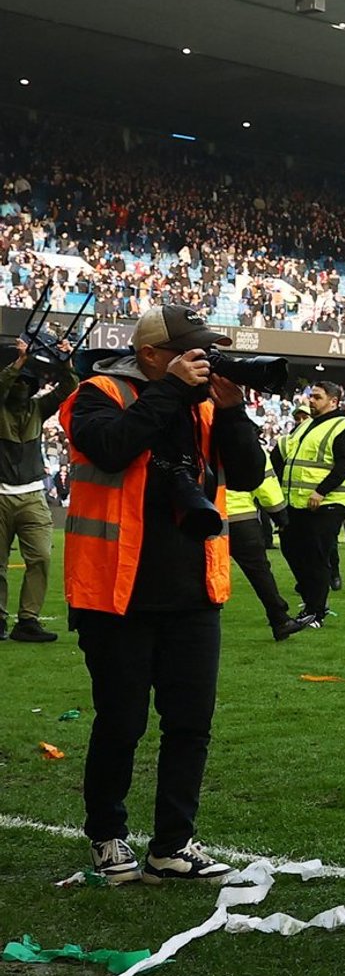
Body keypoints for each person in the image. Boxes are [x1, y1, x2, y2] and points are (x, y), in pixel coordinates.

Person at [59, 304, 266, 884]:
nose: (204, 359)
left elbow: (248, 474)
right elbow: (111, 447)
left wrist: (232, 412)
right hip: (114, 593)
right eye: (191, 350)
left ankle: (172, 846)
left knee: (190, 725)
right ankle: (106, 835)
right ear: (151, 355)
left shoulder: (204, 405)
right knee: (121, 722)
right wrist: (171, 391)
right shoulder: (98, 393)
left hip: (194, 591)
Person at [0, 332, 78, 643]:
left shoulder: (36, 410)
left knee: (42, 558)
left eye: (26, 383)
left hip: (32, 495)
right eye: (18, 381)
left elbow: (69, 388)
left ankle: (28, 620)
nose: (21, 387)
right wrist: (19, 362)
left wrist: (66, 361)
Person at [273, 380, 345, 627]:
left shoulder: (344, 426)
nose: (311, 400)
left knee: (315, 556)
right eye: (311, 396)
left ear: (334, 402)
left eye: (317, 397)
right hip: (297, 502)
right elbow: (282, 455)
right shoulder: (305, 426)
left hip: (328, 502)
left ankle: (315, 612)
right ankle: (313, 600)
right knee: (291, 549)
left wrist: (321, 492)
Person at [221, 447, 309, 641]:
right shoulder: (247, 445)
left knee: (200, 571)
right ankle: (280, 619)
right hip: (240, 516)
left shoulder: (193, 437)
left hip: (204, 516)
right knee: (259, 572)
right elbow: (266, 484)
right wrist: (280, 516)